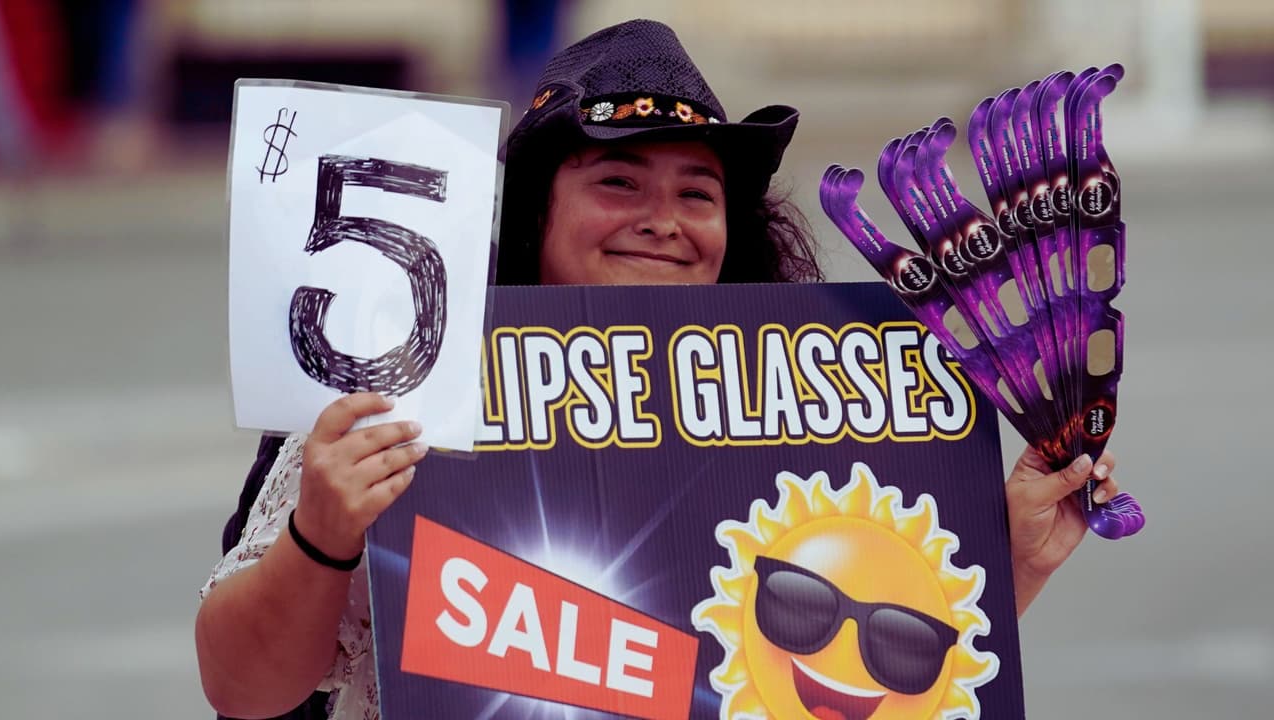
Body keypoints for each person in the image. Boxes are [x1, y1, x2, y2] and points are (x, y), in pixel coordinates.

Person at [196, 19, 1121, 720]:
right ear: (535, 216)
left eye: (697, 191)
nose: (663, 218)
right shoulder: (406, 385)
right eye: (618, 181)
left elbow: (860, 688)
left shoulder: (812, 403)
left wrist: (1010, 562)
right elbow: (241, 691)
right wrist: (320, 534)